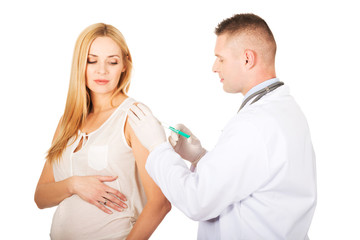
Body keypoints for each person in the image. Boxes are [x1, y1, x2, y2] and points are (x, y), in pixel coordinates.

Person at [128, 13, 317, 239]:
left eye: (221, 58)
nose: (214, 67)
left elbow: (197, 201)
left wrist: (157, 148)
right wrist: (200, 158)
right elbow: (249, 176)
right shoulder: (286, 110)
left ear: (247, 59)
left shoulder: (254, 124)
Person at [34, 23, 171, 240]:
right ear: (80, 64)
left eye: (112, 62)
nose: (102, 70)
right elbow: (41, 197)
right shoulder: (67, 121)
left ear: (125, 65)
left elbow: (160, 203)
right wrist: (74, 184)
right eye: (92, 60)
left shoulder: (134, 116)